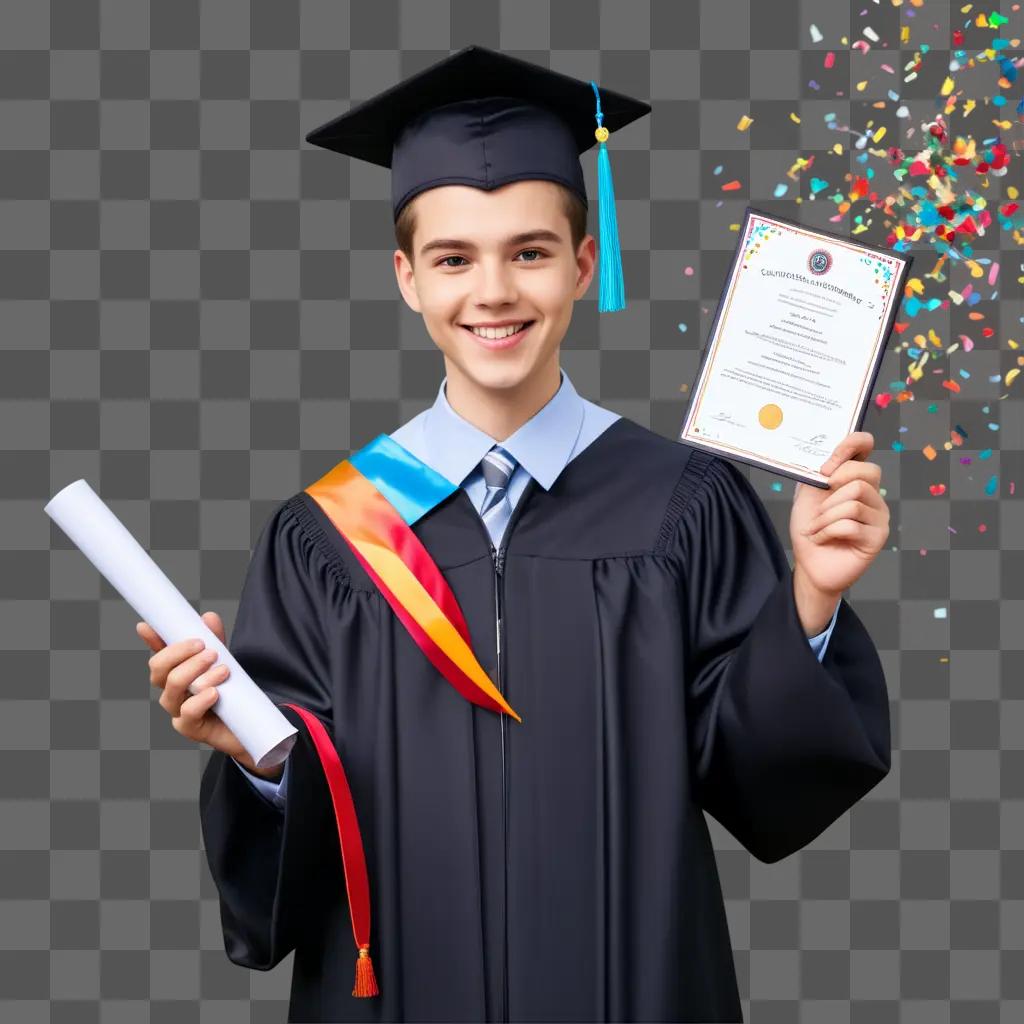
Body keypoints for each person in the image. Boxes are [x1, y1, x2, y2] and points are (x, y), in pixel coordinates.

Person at [137, 45, 891, 1023]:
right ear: (407, 278)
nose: (492, 292)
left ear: (584, 264)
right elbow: (294, 863)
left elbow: (759, 786)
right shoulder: (328, 533)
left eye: (529, 251)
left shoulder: (684, 502)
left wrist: (811, 599)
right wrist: (254, 757)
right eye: (453, 258)